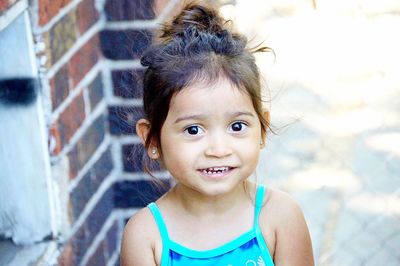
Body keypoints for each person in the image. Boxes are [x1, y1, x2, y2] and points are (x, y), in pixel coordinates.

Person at [121, 1, 314, 265]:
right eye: (193, 129)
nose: (218, 149)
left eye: (237, 126)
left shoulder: (280, 216)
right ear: (152, 139)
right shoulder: (146, 236)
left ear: (262, 129)